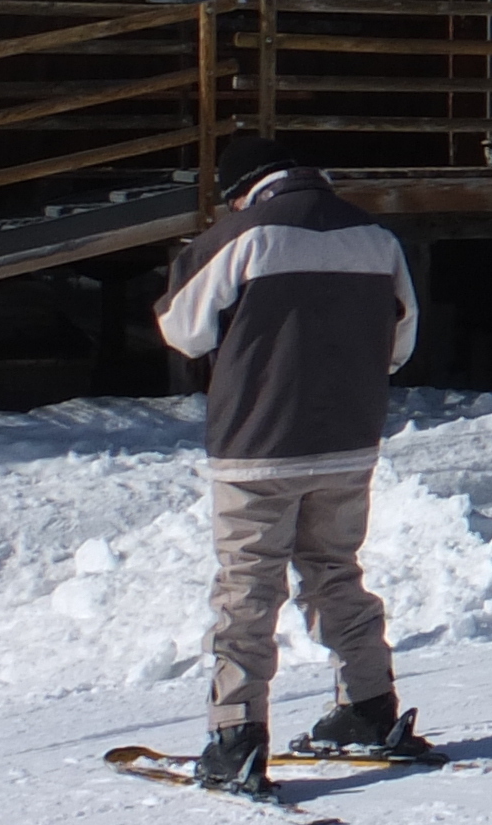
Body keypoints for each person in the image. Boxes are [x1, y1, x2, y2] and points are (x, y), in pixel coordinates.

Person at [157, 133, 428, 790]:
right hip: (348, 439)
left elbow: (182, 327)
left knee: (249, 592)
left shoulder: (242, 234)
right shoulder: (377, 238)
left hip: (259, 445)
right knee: (336, 574)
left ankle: (237, 736)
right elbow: (402, 343)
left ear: (241, 188)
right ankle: (369, 709)